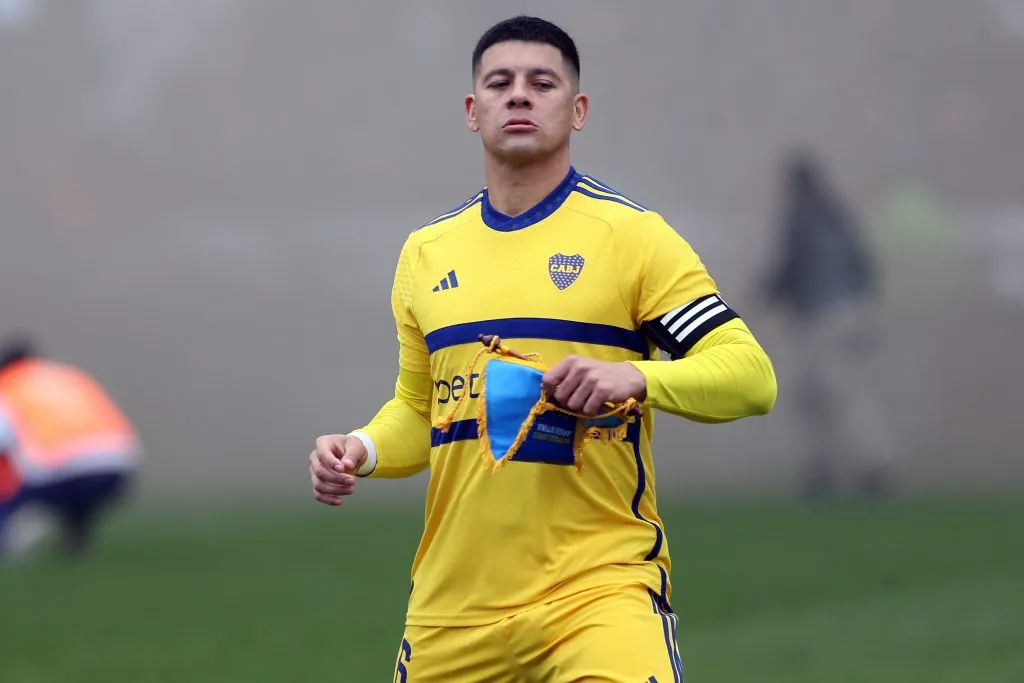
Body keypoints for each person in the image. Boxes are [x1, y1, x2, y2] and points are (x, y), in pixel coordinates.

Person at [308, 16, 777, 682]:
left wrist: (636, 377)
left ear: (577, 109)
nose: (519, 94)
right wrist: (361, 448)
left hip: (598, 594)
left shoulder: (633, 237)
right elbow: (422, 409)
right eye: (500, 83)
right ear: (473, 111)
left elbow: (751, 376)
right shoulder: (425, 253)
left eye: (541, 82)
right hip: (453, 613)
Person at [761, 150, 892, 499]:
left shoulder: (800, 218)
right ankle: (863, 464)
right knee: (846, 392)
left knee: (819, 398)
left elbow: (790, 266)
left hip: (820, 319)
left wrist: (764, 295)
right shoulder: (836, 216)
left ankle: (846, 470)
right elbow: (865, 266)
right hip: (850, 312)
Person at [0, 335, 139, 562]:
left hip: (60, 473)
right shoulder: (68, 377)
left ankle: (6, 543)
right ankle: (78, 543)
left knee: (7, 492)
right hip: (118, 468)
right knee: (76, 491)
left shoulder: (8, 386)